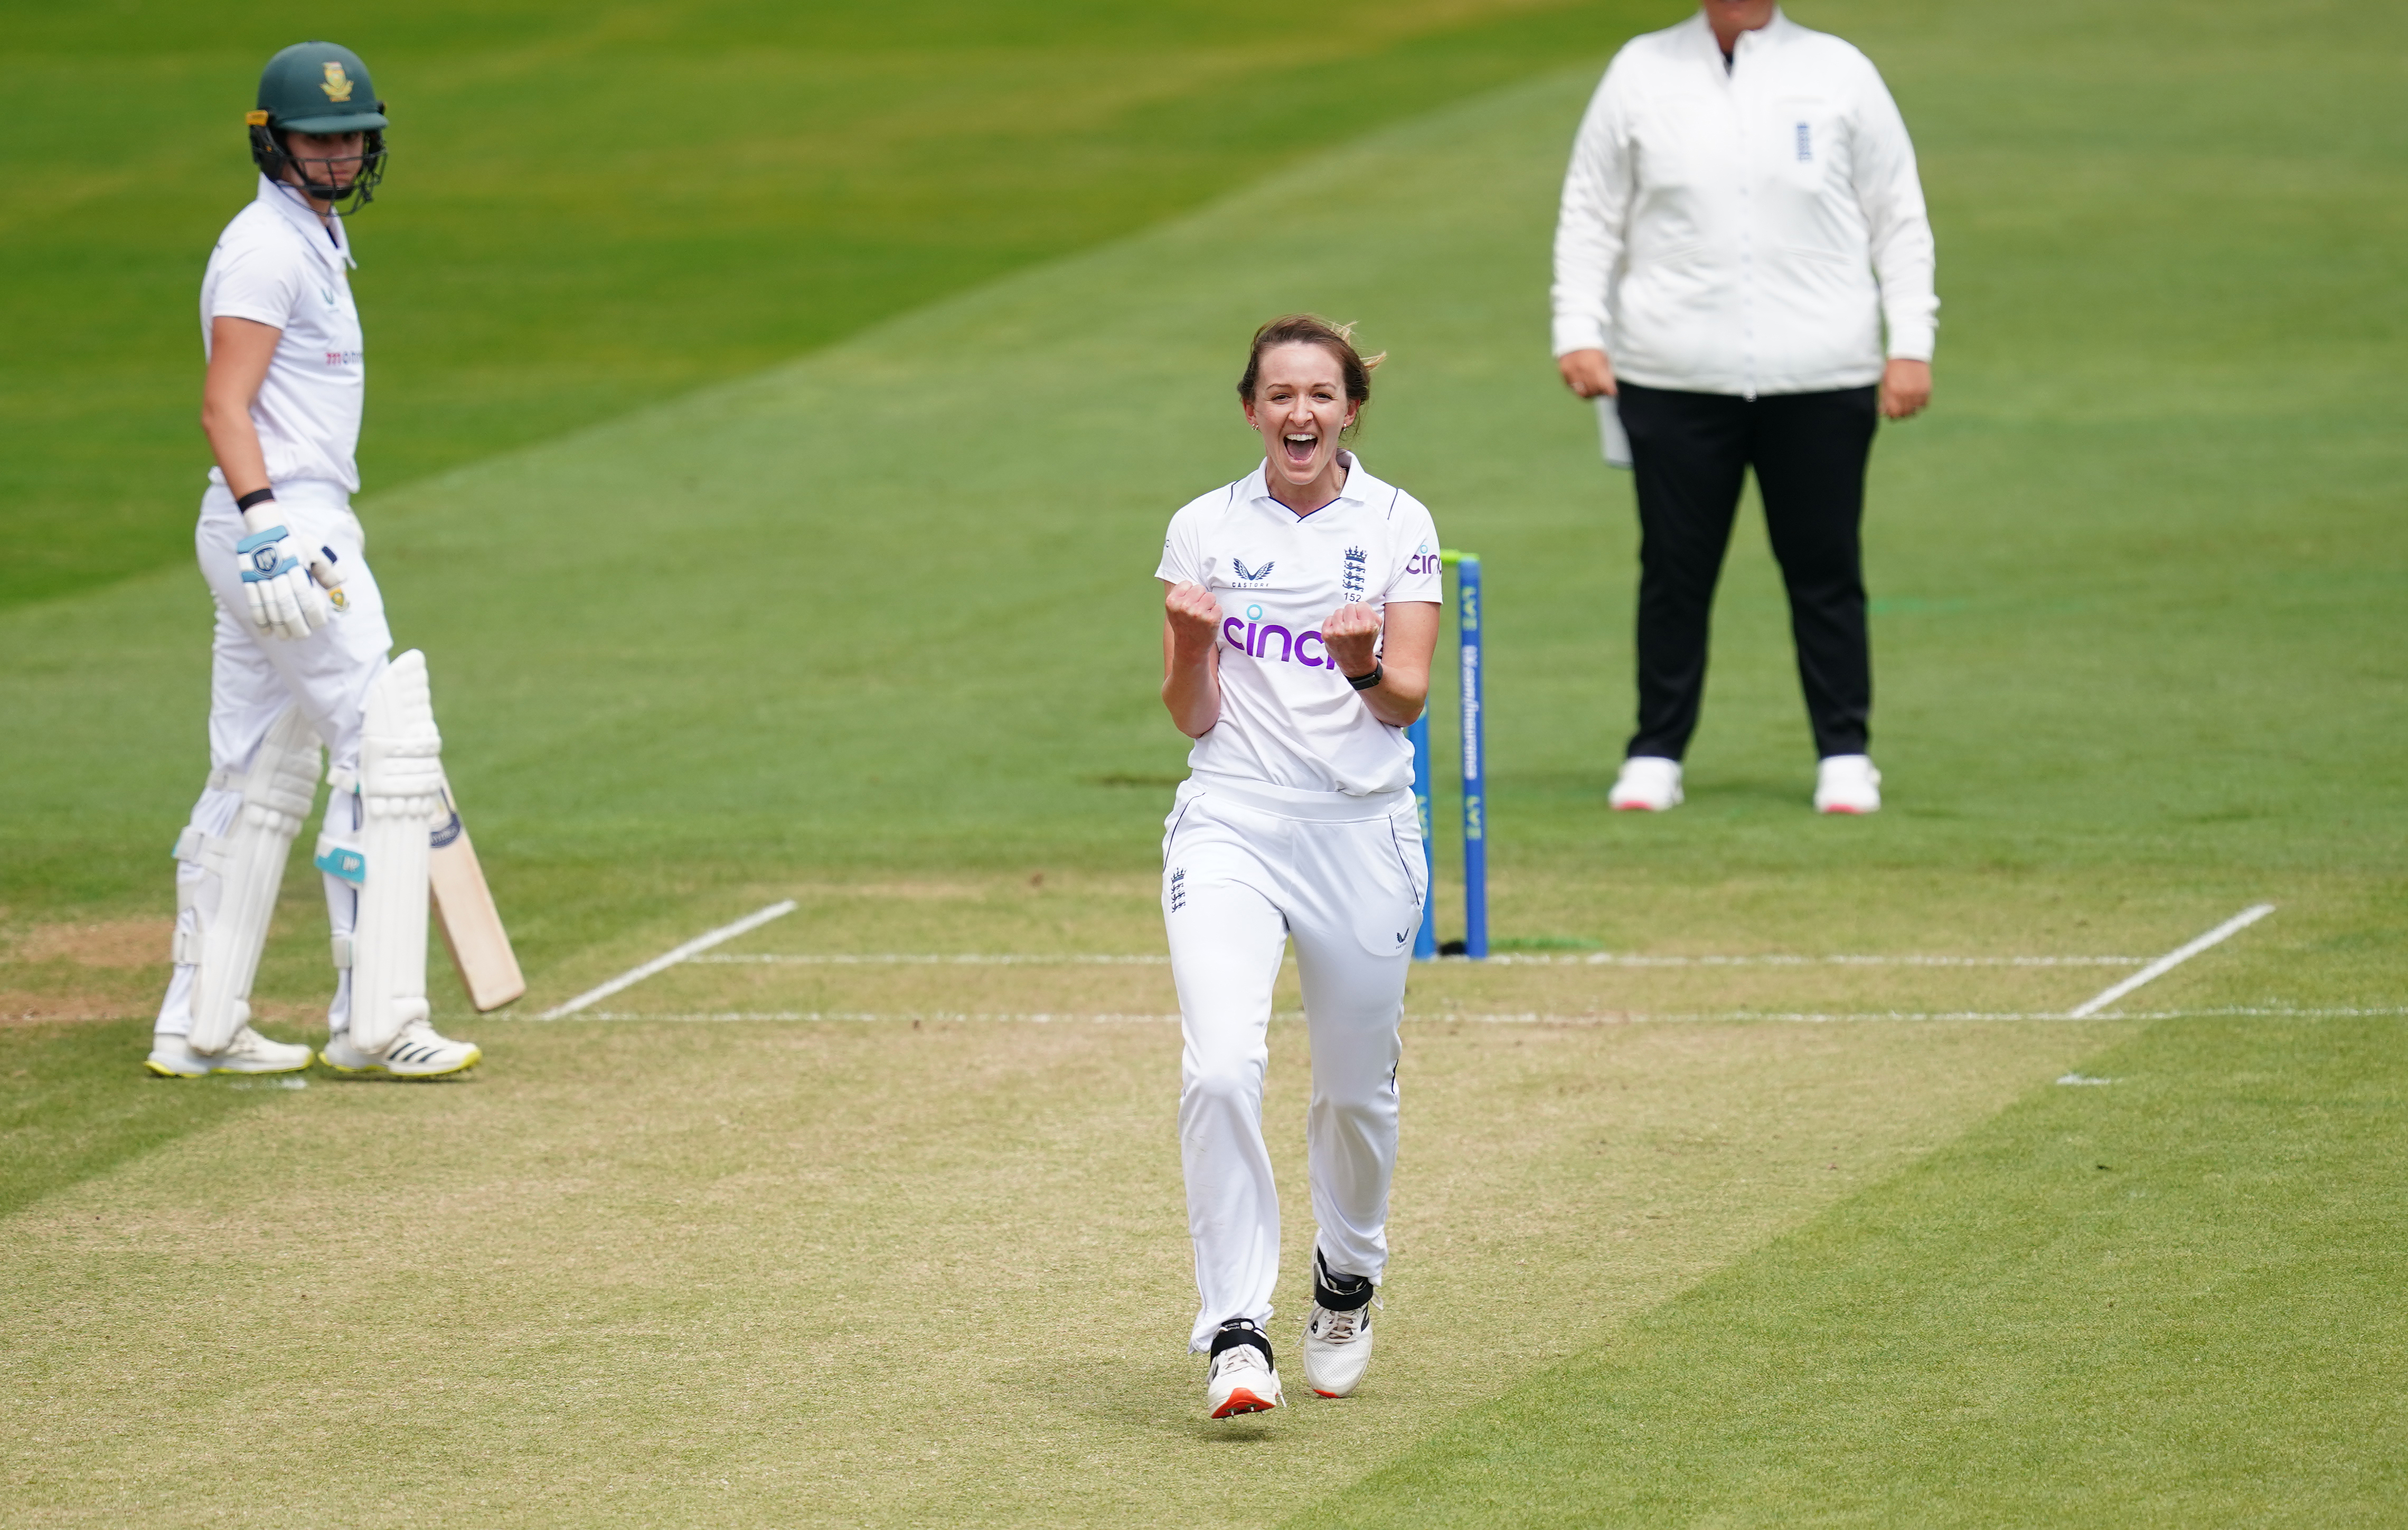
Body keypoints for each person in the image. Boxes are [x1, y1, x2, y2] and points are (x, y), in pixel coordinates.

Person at [146, 41, 482, 1080]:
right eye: (318, 138)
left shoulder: (315, 237)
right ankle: (376, 1021)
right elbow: (222, 404)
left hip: (285, 521)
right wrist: (267, 532)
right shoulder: (264, 248)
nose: (338, 155)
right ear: (272, 141)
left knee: (256, 764)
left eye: (353, 139)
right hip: (283, 525)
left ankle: (198, 1028)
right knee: (382, 745)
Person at [1154, 316, 1443, 1419]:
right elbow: (1190, 711)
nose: (1301, 414)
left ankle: (1348, 1275)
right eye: (1280, 395)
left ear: (1351, 409)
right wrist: (1190, 643)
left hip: (1361, 825)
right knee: (1221, 1067)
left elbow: (1408, 697)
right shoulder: (1202, 527)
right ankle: (1235, 1327)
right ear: (1251, 410)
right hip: (1230, 819)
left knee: (1355, 1092)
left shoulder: (1399, 522)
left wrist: (1363, 665)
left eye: (1322, 394)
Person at [1552, 0, 1936, 814]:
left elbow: (1897, 213)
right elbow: (1591, 210)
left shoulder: (1838, 72)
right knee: (1674, 570)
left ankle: (1845, 752)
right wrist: (1578, 328)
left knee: (1825, 568)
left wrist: (1911, 343)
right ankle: (1655, 751)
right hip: (1673, 371)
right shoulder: (1641, 70)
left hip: (1823, 371)